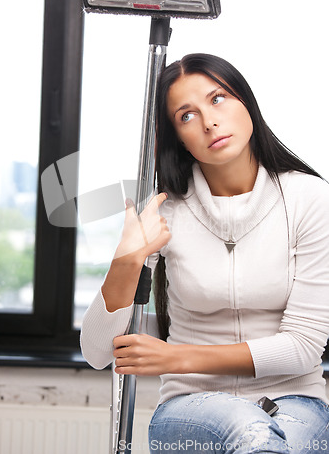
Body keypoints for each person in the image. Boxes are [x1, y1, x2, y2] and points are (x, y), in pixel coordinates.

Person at [80, 54, 329, 453]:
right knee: (254, 435)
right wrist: (127, 259)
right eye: (186, 115)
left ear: (246, 101)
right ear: (176, 135)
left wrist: (174, 358)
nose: (210, 121)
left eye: (217, 99)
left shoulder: (309, 199)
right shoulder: (164, 212)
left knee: (267, 442)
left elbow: (302, 347)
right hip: (190, 408)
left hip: (296, 401)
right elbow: (96, 352)